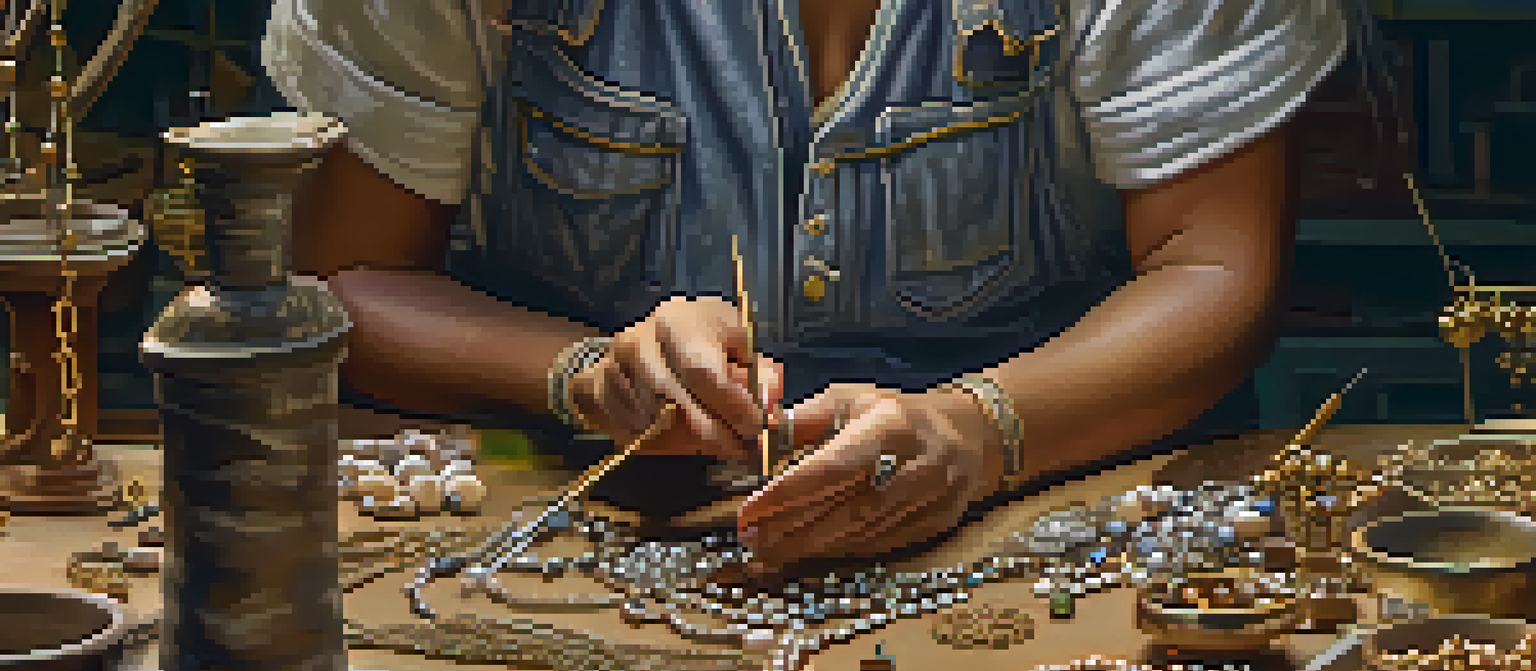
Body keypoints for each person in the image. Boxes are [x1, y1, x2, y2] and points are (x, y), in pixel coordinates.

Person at [261, 0, 1371, 578]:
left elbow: (1213, 267)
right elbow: (340, 278)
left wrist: (976, 431)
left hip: (1059, 496)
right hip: (564, 482)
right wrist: (581, 376)